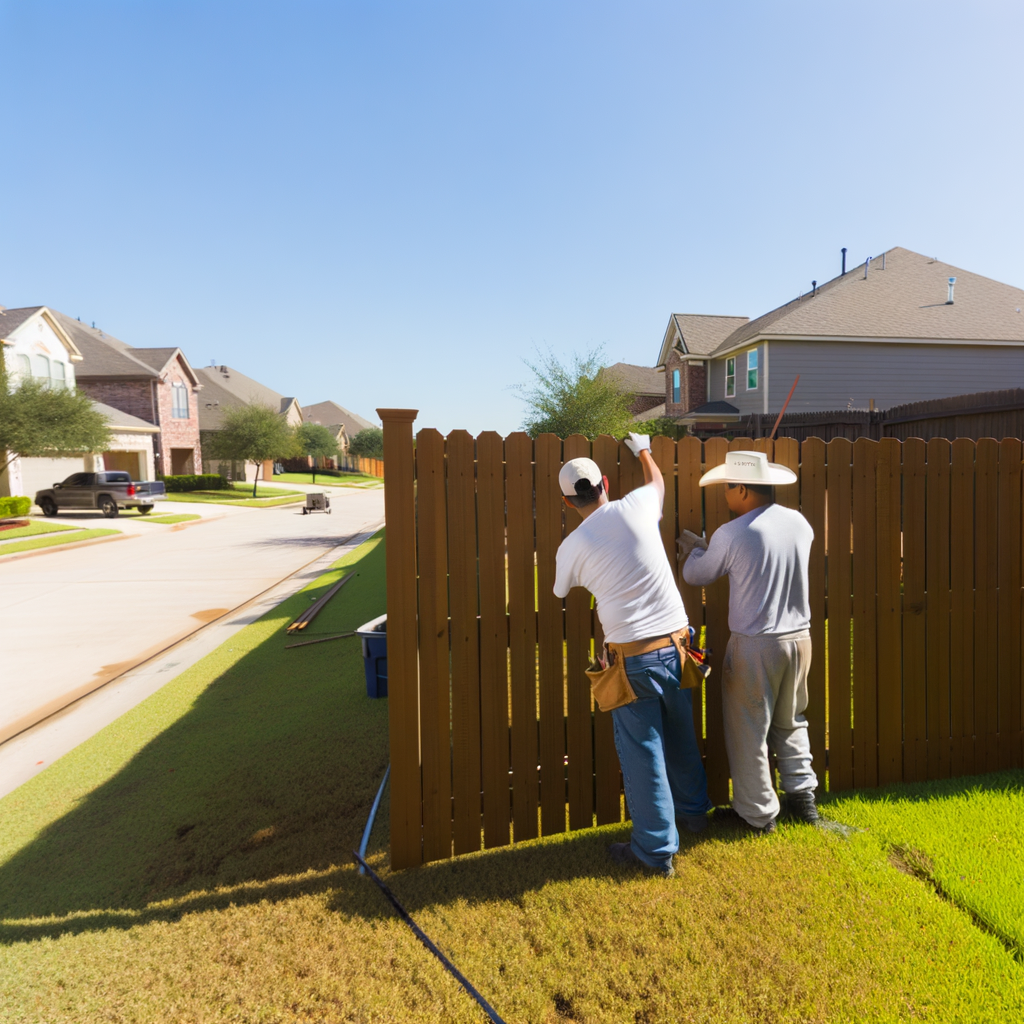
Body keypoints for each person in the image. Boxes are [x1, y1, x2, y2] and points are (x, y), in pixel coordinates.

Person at [554, 433, 712, 878]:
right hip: (681, 646)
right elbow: (657, 479)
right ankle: (696, 814)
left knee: (644, 754)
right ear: (605, 482)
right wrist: (642, 448)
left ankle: (655, 852)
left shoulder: (573, 546)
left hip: (633, 660)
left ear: (568, 503)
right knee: (682, 735)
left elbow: (561, 590)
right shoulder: (639, 504)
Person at [680, 450, 819, 834]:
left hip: (756, 644)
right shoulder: (799, 523)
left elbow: (696, 575)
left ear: (742, 488)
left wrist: (694, 548)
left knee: (748, 729)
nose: (725, 495)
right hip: (799, 639)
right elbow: (761, 556)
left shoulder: (733, 533)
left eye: (728, 487)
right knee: (792, 721)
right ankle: (803, 800)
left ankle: (757, 815)